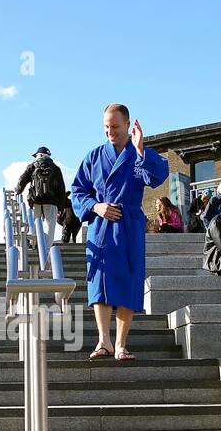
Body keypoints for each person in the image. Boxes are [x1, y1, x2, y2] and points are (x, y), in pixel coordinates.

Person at [70, 103, 170, 361]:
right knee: (100, 284)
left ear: (128, 125)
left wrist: (140, 149)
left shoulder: (141, 154)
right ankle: (104, 341)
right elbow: (78, 190)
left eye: (115, 126)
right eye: (106, 127)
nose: (110, 132)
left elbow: (158, 176)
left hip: (129, 226)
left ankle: (122, 344)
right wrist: (96, 206)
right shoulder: (93, 157)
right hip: (101, 227)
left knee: (128, 282)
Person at [16, 146, 72, 246]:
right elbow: (61, 189)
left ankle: (33, 243)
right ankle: (47, 249)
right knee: (50, 227)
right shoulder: (55, 168)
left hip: (35, 201)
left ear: (40, 155)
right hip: (51, 202)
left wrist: (18, 191)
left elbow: (22, 179)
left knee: (33, 224)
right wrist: (60, 207)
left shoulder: (32, 166)